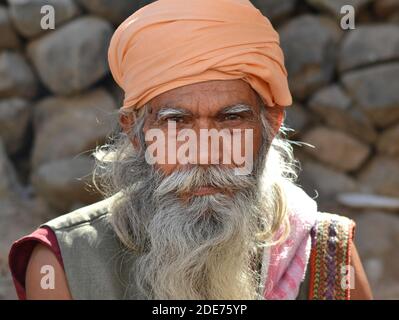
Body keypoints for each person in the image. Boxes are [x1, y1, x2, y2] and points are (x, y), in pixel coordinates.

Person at [9, 0, 372, 300]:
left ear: (271, 124)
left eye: (231, 118)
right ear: (136, 133)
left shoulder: (324, 254)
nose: (204, 151)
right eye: (175, 121)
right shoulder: (66, 262)